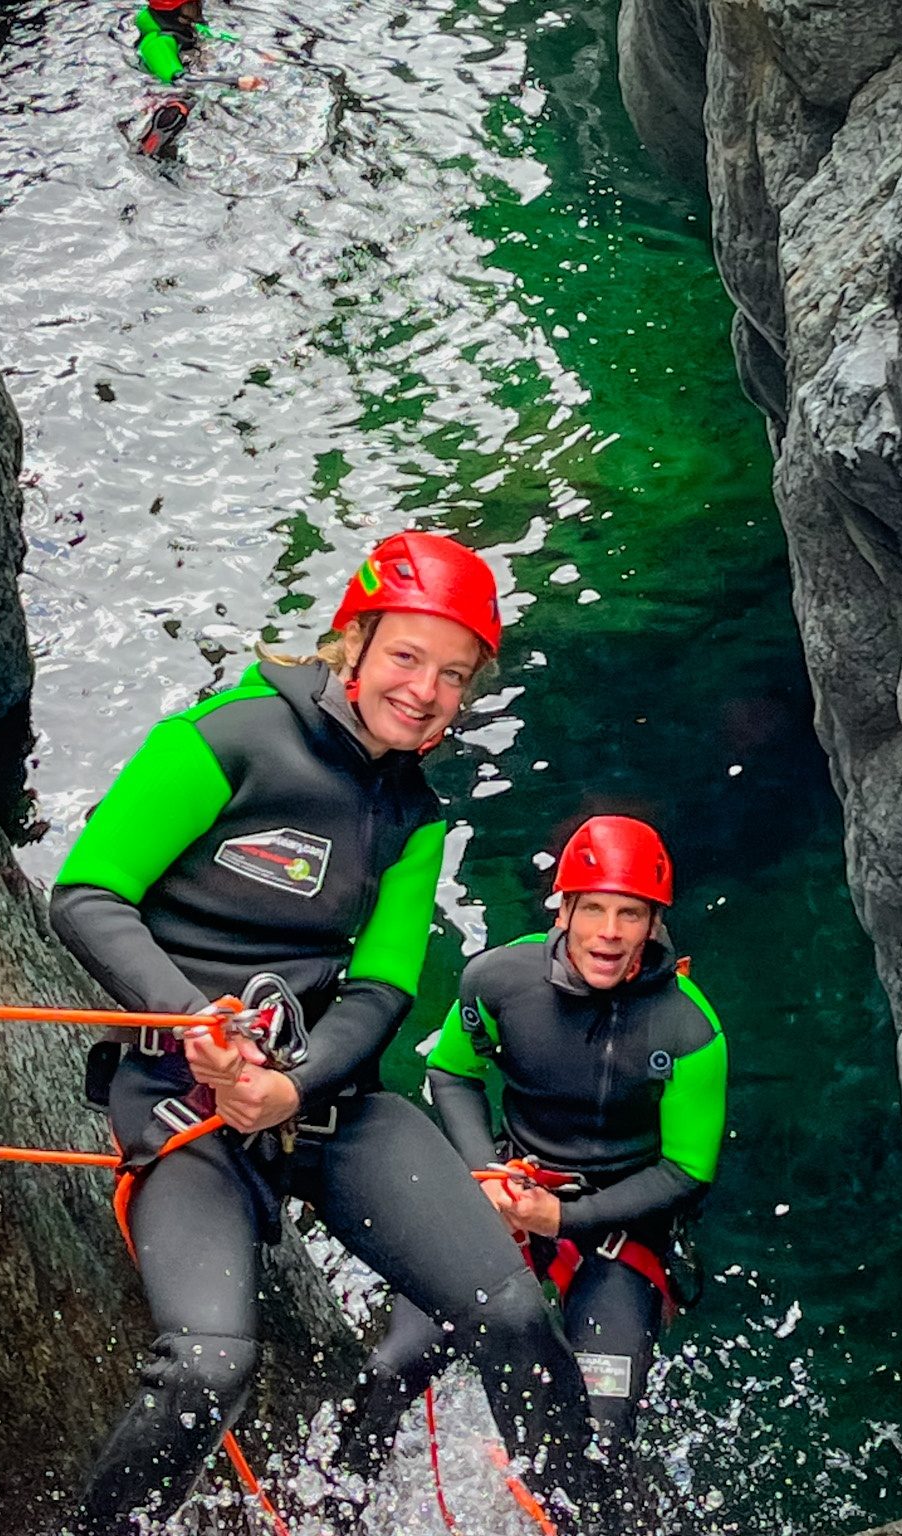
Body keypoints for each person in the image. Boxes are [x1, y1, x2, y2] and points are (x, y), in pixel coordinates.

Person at [49, 532, 595, 1534]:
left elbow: (381, 991)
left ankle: (587, 1516)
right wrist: (193, 1021)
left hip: (321, 1100)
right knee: (208, 1366)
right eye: (407, 657)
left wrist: (291, 1090)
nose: (425, 692)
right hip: (179, 1098)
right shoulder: (227, 740)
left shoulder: (415, 814)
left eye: (454, 676)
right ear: (355, 642)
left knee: (516, 1316)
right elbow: (88, 893)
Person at [351, 816, 728, 1526]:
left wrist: (565, 1218)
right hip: (514, 1188)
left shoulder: (688, 1029)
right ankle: (331, 1508)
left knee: (603, 1435)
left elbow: (686, 1172)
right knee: (392, 1368)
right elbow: (452, 1073)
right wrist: (487, 1174)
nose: (609, 933)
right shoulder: (499, 980)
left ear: (653, 925)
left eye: (630, 914)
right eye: (594, 910)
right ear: (564, 911)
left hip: (619, 1225)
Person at [131, 0, 262, 158]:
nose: (199, 9)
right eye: (192, 6)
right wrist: (234, 82)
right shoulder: (157, 44)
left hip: (187, 84)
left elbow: (222, 37)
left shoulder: (184, 28)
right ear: (172, 10)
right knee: (177, 110)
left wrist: (260, 51)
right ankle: (148, 151)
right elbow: (181, 80)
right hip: (158, 96)